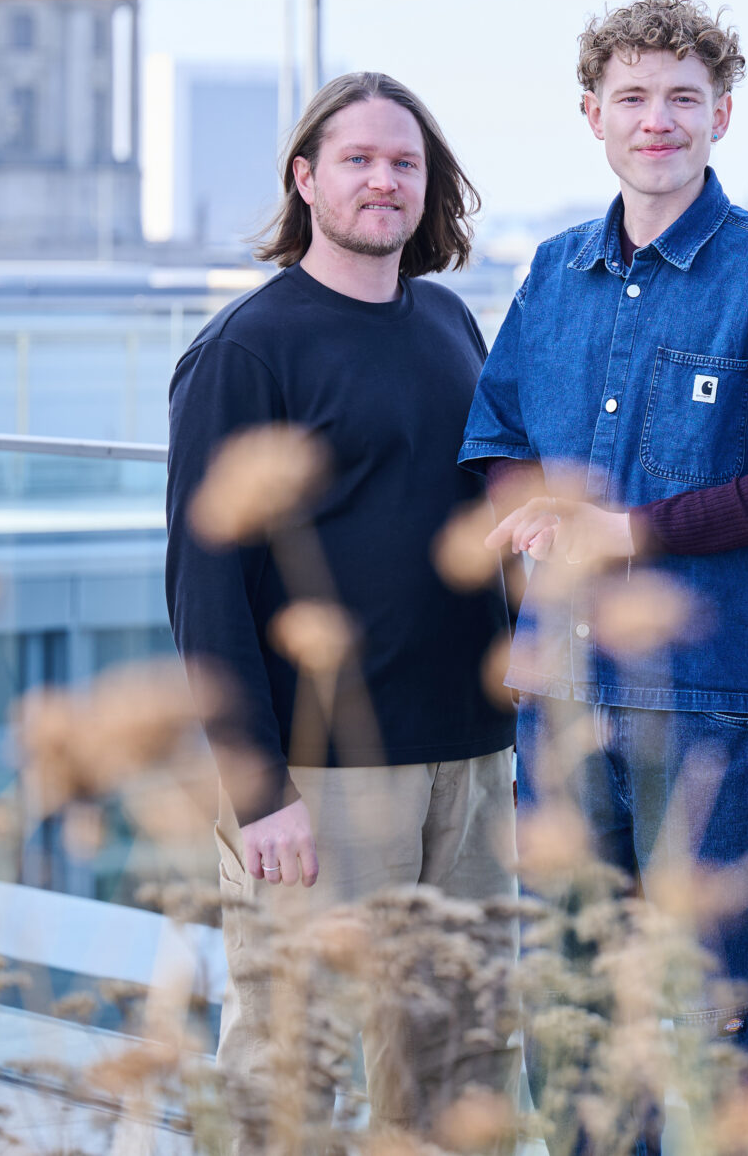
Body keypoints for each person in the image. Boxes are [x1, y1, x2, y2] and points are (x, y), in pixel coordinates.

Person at [460, 0, 748, 1126]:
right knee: (576, 1016)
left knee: (725, 1023)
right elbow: (496, 436)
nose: (658, 121)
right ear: (592, 114)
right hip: (558, 695)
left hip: (710, 704)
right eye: (634, 98)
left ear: (722, 115)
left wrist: (633, 532)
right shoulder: (551, 272)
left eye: (682, 99)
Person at [165, 72, 514, 1140]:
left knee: (460, 1061)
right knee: (294, 1061)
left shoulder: (450, 320)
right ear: (305, 179)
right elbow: (203, 585)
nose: (383, 181)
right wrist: (257, 787)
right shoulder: (246, 351)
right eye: (357, 160)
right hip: (317, 778)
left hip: (469, 762)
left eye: (404, 163)